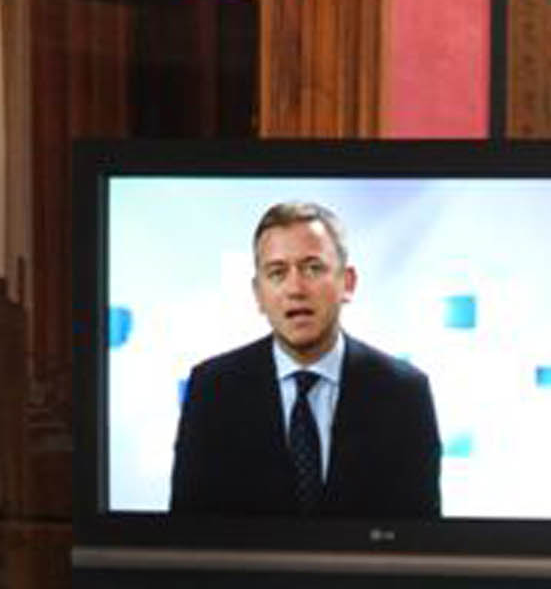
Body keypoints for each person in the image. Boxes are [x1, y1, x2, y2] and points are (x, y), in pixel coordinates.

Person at [169, 199, 443, 518]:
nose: (295, 288)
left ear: (348, 283)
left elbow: (418, 538)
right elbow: (188, 537)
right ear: (258, 294)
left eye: (313, 268)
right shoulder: (213, 389)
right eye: (277, 273)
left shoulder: (403, 391)